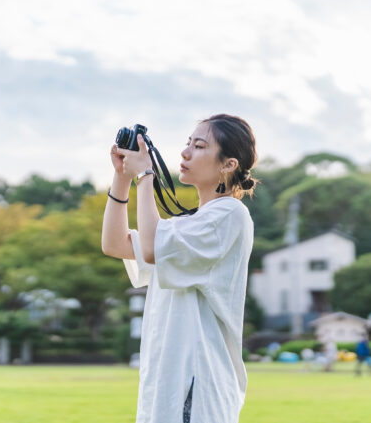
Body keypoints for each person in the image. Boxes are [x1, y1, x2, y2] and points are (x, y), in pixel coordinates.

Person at [101, 114, 257, 423]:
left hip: (196, 385)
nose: (185, 153)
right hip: (171, 380)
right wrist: (122, 178)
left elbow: (150, 246)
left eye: (199, 146)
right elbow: (115, 243)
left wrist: (146, 174)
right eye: (188, 143)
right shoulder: (191, 223)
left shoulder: (229, 215)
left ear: (229, 164)